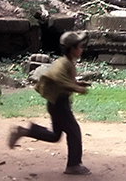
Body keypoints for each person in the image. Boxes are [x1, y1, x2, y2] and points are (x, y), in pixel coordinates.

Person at [8, 31, 91, 175]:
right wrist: (76, 87)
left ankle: (24, 131)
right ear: (72, 49)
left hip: (57, 103)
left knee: (55, 135)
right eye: (80, 47)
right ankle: (73, 165)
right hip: (59, 104)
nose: (81, 50)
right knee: (74, 132)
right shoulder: (64, 63)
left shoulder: (66, 62)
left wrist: (76, 83)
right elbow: (57, 77)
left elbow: (63, 79)